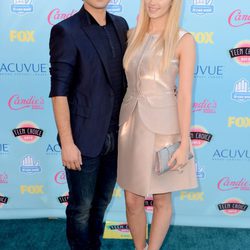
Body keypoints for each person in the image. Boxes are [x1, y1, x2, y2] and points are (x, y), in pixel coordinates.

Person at [117, 0, 198, 249]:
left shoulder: (183, 40)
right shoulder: (132, 35)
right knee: (132, 199)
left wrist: (185, 142)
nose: (153, 2)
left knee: (162, 198)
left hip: (165, 129)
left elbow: (184, 95)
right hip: (130, 127)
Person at [49, 0, 128, 249]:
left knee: (102, 202)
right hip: (83, 139)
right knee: (81, 208)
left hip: (118, 136)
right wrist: (68, 143)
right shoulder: (66, 30)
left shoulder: (121, 25)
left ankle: (93, 245)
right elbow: (59, 92)